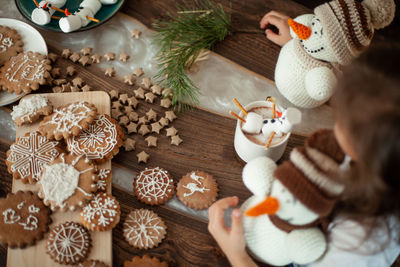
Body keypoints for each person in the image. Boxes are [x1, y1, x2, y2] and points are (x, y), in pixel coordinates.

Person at [208, 11, 400, 267]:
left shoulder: (359, 244)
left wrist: (235, 253)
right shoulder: (381, 142)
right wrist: (308, 48)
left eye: (342, 111)